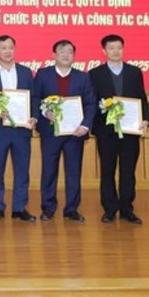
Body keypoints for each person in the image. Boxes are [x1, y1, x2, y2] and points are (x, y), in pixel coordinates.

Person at [89, 34, 149, 224]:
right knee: (107, 170)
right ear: (104, 51)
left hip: (130, 130)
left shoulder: (134, 72)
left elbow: (142, 99)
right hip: (106, 131)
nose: (116, 51)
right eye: (111, 48)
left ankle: (126, 209)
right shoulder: (95, 73)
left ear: (123, 49)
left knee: (128, 171)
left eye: (119, 48)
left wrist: (146, 120)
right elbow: (91, 102)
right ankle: (109, 209)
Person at [32, 40, 96, 223]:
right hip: (50, 131)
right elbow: (36, 98)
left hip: (75, 132)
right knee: (49, 170)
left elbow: (90, 103)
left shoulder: (83, 77)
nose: (66, 55)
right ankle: (48, 207)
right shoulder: (43, 74)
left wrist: (85, 125)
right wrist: (44, 112)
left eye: (70, 52)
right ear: (54, 55)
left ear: (74, 56)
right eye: (62, 51)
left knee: (73, 171)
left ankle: (72, 209)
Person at [0, 35, 37, 222]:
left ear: (15, 49)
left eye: (10, 47)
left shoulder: (25, 72)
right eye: (3, 48)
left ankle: (19, 208)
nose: (7, 51)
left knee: (22, 171)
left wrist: (34, 117)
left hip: (22, 130)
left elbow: (34, 98)